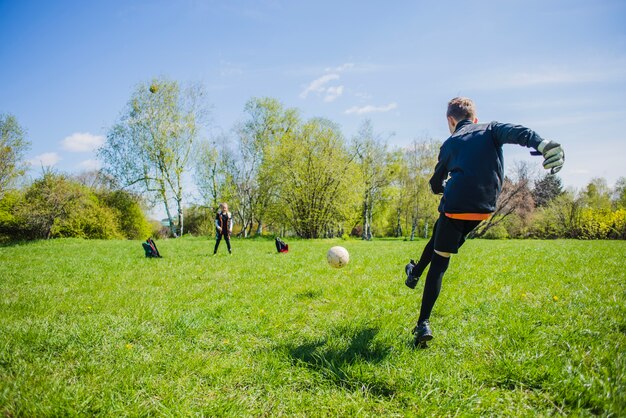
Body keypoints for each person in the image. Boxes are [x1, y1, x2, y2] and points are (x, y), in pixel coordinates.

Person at [404, 97, 564, 347]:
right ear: (474, 118)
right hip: (483, 208)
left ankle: (422, 322)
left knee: (440, 260)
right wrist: (543, 144)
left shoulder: (450, 143)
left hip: (456, 208)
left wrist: (442, 186)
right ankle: (414, 272)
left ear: (450, 120)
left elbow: (435, 183)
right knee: (438, 236)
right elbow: (520, 133)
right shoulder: (492, 129)